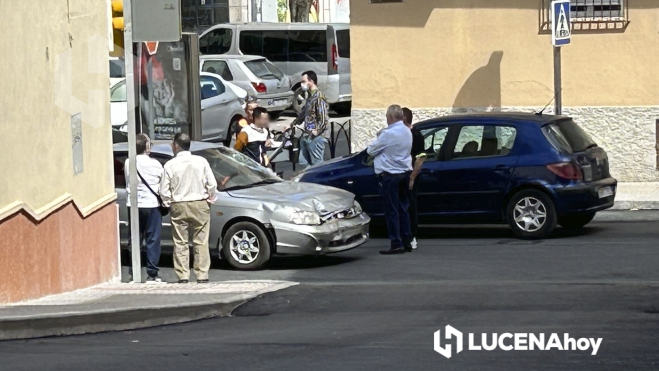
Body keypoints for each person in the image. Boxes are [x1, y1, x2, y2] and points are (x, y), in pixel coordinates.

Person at [160, 133, 217, 284]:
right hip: (199, 202)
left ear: (176, 146)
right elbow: (212, 184)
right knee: (201, 241)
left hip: (179, 203)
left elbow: (164, 190)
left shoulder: (170, 165)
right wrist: (210, 197)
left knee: (180, 241)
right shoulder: (201, 161)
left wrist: (167, 202)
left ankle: (183, 275)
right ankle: (202, 274)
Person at [367, 105, 414, 255]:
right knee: (403, 209)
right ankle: (407, 241)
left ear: (391, 117)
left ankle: (396, 243)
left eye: (387, 117)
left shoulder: (388, 134)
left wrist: (380, 134)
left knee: (392, 211)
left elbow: (370, 150)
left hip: (391, 176)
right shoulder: (407, 131)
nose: (386, 120)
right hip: (404, 174)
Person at [124, 134, 165, 283]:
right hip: (152, 204)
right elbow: (162, 183)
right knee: (152, 239)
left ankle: (133, 272)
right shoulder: (155, 164)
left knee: (134, 238)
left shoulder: (129, 162)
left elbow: (128, 179)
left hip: (134, 204)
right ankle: (152, 273)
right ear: (147, 147)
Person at [293, 70, 329, 168]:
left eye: (304, 81)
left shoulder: (319, 98)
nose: (302, 84)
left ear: (311, 81)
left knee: (317, 165)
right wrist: (293, 123)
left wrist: (317, 131)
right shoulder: (310, 96)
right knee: (304, 162)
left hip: (316, 137)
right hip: (307, 134)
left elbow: (323, 118)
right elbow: (304, 113)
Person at [403, 107, 424, 250]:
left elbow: (420, 159)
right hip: (403, 173)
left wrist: (412, 177)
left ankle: (411, 236)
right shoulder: (402, 135)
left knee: (410, 205)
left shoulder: (415, 135)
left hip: (410, 175)